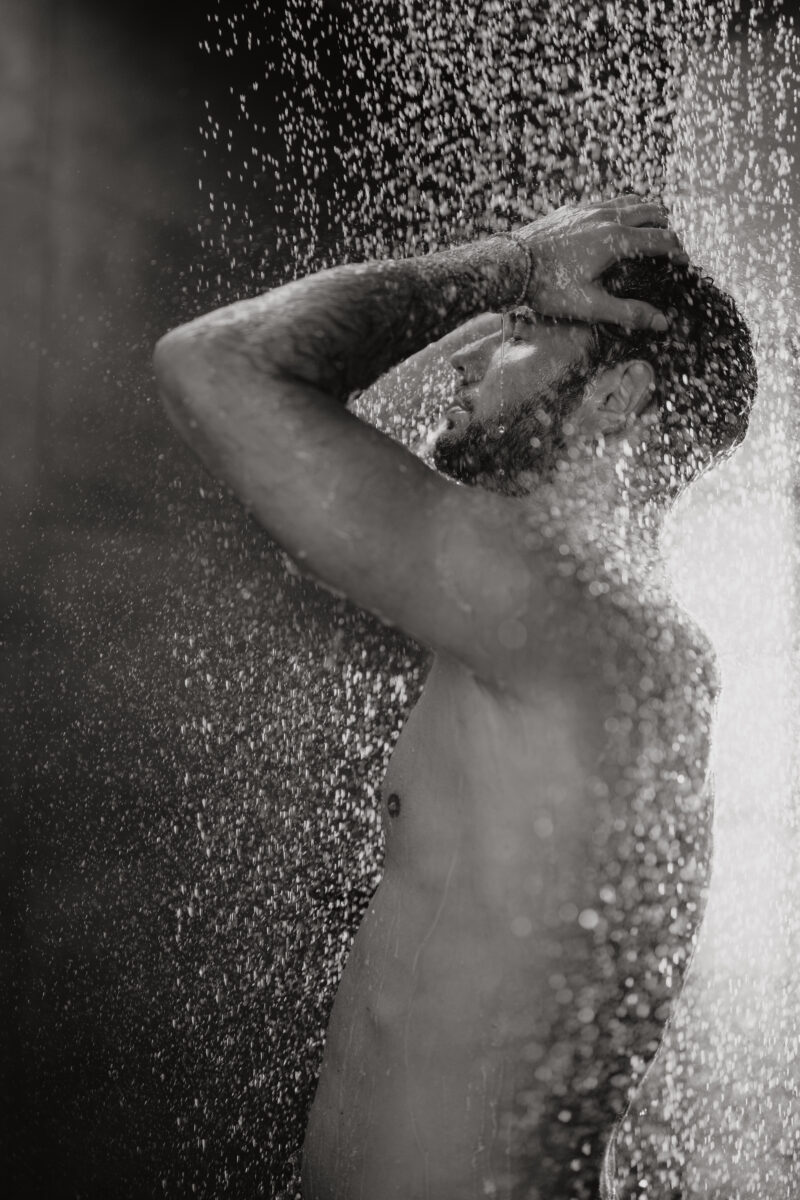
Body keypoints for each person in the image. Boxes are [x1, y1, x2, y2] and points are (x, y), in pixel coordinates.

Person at [154, 196, 756, 1200]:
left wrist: (515, 262)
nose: (462, 357)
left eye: (519, 331)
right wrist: (517, 300)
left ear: (615, 399)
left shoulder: (572, 610)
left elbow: (215, 362)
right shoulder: (591, 635)